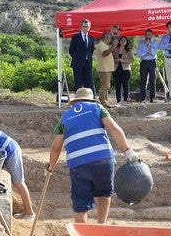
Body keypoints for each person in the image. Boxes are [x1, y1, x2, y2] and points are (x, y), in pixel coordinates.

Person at [46, 87, 139, 225]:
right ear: (90, 99)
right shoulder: (97, 108)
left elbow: (56, 147)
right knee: (104, 193)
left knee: (81, 204)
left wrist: (50, 167)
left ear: (75, 101)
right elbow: (113, 128)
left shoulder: (65, 117)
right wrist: (128, 151)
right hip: (103, 160)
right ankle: (101, 226)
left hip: (79, 165)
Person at [68, 19, 96, 94]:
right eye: (84, 26)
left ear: (89, 27)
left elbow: (91, 50)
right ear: (81, 27)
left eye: (87, 27)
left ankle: (90, 98)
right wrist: (78, 58)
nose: (86, 28)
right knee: (78, 82)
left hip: (88, 63)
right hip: (78, 63)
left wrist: (87, 58)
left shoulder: (91, 38)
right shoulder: (76, 37)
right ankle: (79, 98)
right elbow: (71, 50)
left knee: (89, 82)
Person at [136, 29, 159, 103]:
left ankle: (152, 98)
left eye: (149, 34)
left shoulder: (154, 43)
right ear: (144, 35)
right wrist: (146, 53)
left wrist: (149, 46)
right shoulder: (141, 43)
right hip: (144, 62)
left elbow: (154, 52)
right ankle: (143, 99)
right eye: (146, 34)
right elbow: (139, 53)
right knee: (143, 80)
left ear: (151, 35)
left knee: (152, 80)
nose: (148, 36)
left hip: (152, 62)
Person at [94, 31, 116, 108]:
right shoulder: (102, 45)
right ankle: (102, 101)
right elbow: (104, 54)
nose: (110, 40)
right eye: (110, 38)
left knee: (107, 86)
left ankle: (105, 101)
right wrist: (113, 47)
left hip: (107, 68)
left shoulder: (104, 45)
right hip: (104, 69)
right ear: (106, 38)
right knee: (105, 86)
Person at [112, 36, 134, 103]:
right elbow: (111, 58)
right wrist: (116, 60)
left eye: (124, 40)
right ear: (119, 41)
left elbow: (132, 59)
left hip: (126, 69)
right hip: (116, 68)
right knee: (117, 84)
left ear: (126, 42)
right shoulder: (115, 49)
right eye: (121, 40)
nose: (123, 41)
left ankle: (125, 99)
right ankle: (118, 100)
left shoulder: (128, 50)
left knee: (125, 84)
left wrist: (123, 60)